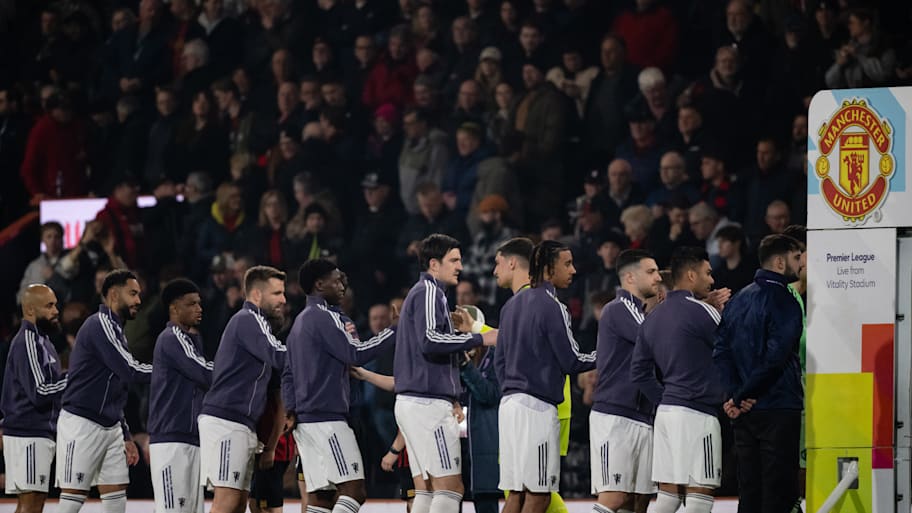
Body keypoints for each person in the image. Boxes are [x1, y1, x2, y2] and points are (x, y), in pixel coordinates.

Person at [393, 234, 497, 513]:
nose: (460, 266)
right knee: (451, 488)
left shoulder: (425, 294)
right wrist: (480, 339)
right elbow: (430, 340)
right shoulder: (429, 291)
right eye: (454, 260)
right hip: (427, 405)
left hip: (416, 403)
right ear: (433, 264)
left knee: (426, 490)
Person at [285, 258, 397, 513]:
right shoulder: (326, 316)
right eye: (336, 281)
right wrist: (393, 331)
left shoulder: (299, 323)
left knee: (321, 497)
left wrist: (291, 408)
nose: (342, 285)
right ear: (319, 284)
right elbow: (354, 353)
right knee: (354, 490)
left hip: (306, 421)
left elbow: (287, 373)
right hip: (328, 420)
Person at [494, 240, 596, 513]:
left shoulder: (510, 306)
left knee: (515, 495)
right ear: (549, 269)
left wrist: (512, 388)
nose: (573, 270)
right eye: (567, 264)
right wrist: (606, 355)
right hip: (536, 409)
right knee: (539, 495)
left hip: (509, 406)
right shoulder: (554, 306)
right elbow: (571, 360)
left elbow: (499, 362)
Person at [630, 248, 730, 513]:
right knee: (699, 499)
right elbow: (732, 351)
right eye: (707, 273)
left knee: (668, 497)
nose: (711, 281)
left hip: (666, 415)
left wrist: (667, 398)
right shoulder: (704, 312)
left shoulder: (651, 319)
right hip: (698, 415)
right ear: (690, 275)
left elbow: (638, 372)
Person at [713, 235, 804, 512]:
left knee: (749, 490)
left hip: (743, 413)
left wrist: (734, 395)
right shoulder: (785, 301)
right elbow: (776, 358)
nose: (800, 265)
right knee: (778, 492)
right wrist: (743, 394)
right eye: (796, 258)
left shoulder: (739, 298)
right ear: (779, 261)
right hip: (777, 406)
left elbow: (721, 350)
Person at [56, 270, 150, 513]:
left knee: (116, 499)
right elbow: (129, 369)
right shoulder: (100, 324)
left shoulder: (117, 330)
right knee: (71, 500)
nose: (138, 300)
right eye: (132, 294)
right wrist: (170, 369)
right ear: (113, 295)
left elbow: (115, 388)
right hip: (82, 424)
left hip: (110, 426)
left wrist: (125, 434)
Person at [198, 266, 288, 513]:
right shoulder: (249, 319)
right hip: (227, 421)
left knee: (237, 504)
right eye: (277, 293)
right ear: (257, 295)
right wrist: (313, 350)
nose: (283, 299)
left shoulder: (254, 324)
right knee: (226, 502)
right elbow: (279, 355)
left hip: (239, 423)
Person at [591, 250, 663, 513]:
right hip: (615, 416)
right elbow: (655, 343)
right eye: (651, 271)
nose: (657, 278)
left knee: (638, 501)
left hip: (642, 415)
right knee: (615, 497)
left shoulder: (641, 313)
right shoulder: (619, 309)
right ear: (630, 277)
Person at [1, 284, 67, 513]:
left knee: (34, 503)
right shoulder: (28, 341)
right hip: (28, 432)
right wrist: (74, 380)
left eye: (55, 304)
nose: (56, 310)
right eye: (49, 306)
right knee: (30, 504)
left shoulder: (43, 341)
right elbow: (39, 392)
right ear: (30, 310)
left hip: (37, 432)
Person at [149, 279, 212, 513]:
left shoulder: (189, 340)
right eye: (192, 304)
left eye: (199, 303)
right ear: (174, 309)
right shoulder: (172, 337)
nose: (199, 308)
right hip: (171, 441)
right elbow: (204, 373)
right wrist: (234, 370)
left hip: (189, 438)